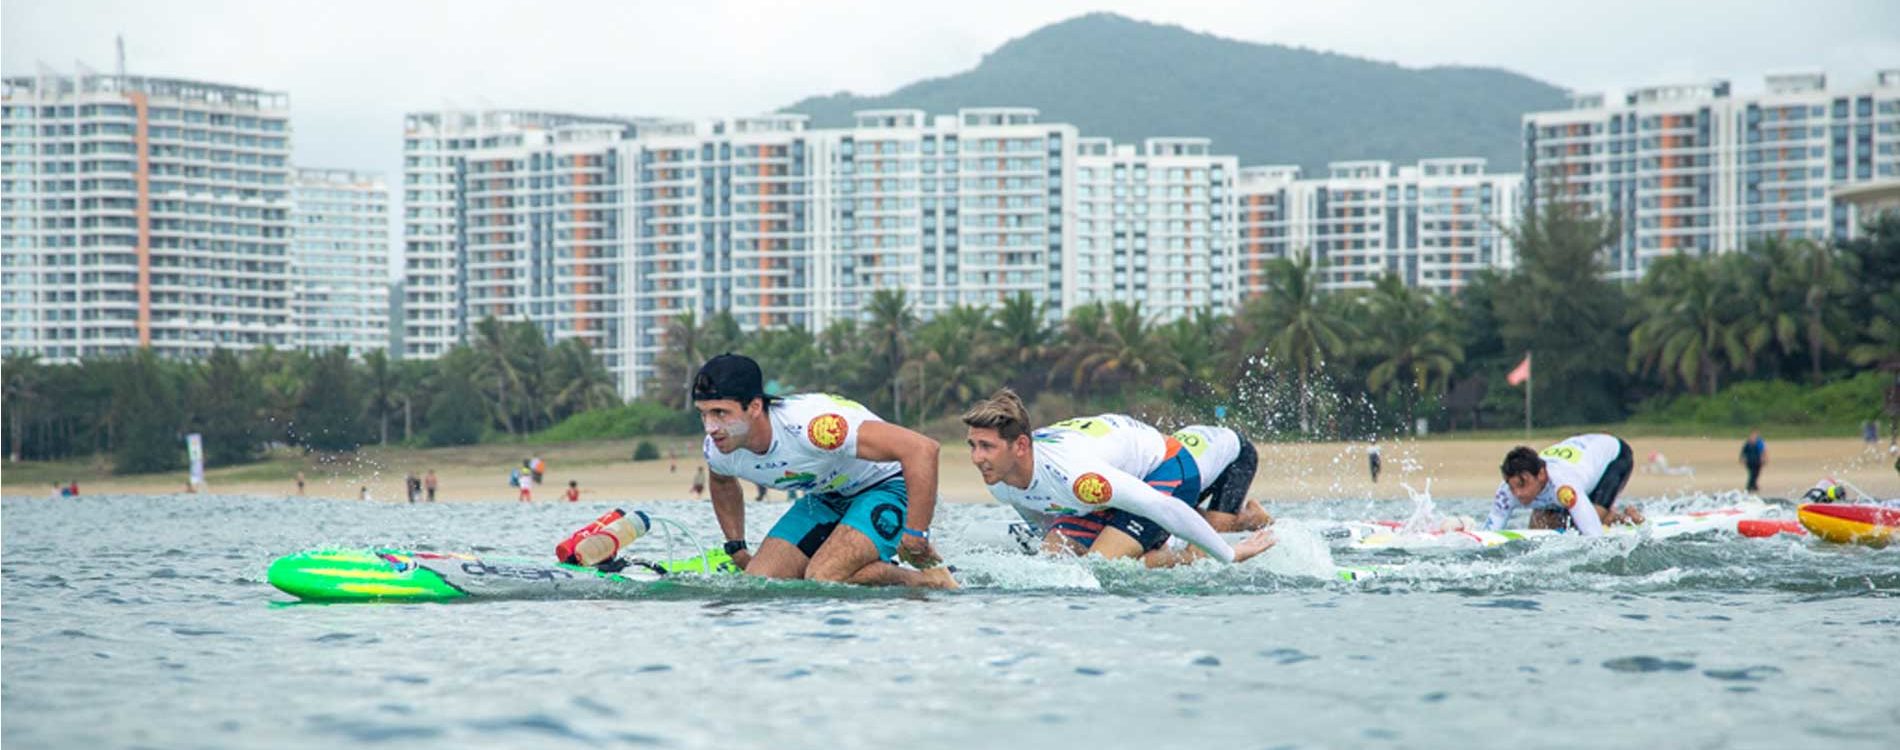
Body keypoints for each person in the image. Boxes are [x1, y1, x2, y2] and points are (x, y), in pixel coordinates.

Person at [693, 353, 954, 588]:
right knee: (760, 582)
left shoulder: (815, 428)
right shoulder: (719, 448)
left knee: (824, 577)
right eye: (703, 414)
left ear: (755, 406)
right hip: (828, 496)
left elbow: (922, 449)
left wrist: (915, 533)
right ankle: (867, 566)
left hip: (888, 484)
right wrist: (736, 545)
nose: (711, 427)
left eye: (720, 413)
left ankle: (931, 580)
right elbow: (722, 482)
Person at [961, 389, 1276, 568]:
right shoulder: (1002, 483)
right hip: (1117, 474)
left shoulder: (1078, 476)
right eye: (973, 446)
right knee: (1054, 563)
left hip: (1165, 465)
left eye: (986, 447)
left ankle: (1183, 553)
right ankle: (1163, 537)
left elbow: (1160, 506)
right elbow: (1045, 518)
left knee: (1105, 566)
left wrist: (1231, 554)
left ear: (1020, 447)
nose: (976, 458)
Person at [1487, 433, 1643, 537]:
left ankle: (1624, 518)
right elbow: (1489, 533)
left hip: (1614, 456)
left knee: (1581, 525)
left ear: (1541, 475)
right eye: (1512, 487)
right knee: (1539, 527)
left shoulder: (1564, 486)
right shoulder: (1507, 492)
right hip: (1579, 457)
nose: (1518, 494)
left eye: (1522, 485)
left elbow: (1593, 535)